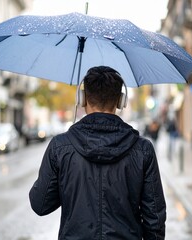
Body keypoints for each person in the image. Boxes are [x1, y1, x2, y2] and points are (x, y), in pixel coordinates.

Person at [29, 66, 166, 239]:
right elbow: (155, 219)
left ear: (82, 98)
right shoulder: (143, 149)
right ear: (120, 101)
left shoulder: (59, 147)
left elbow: (40, 205)